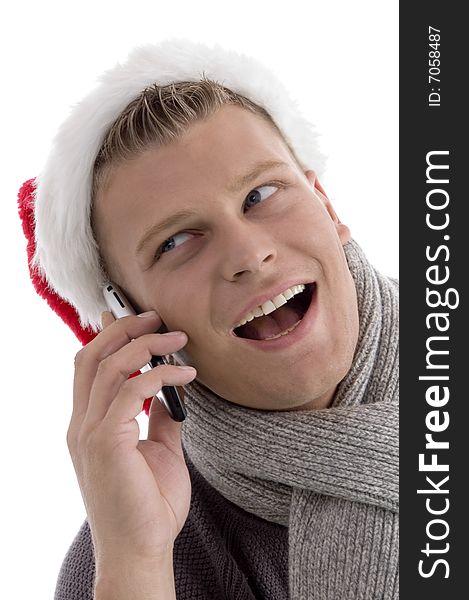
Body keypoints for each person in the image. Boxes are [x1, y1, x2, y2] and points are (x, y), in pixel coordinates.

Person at [18, 39, 398, 599]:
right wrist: (137, 563)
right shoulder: (137, 557)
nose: (248, 255)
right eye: (176, 241)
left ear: (327, 205)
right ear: (130, 322)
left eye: (261, 194)